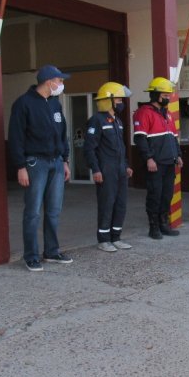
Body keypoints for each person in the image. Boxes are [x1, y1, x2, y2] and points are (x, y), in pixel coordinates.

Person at [8, 64, 73, 272]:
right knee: (33, 212)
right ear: (49, 82)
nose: (61, 84)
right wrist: (20, 166)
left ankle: (52, 251)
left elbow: (63, 133)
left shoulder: (55, 104)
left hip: (55, 161)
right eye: (60, 81)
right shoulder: (24, 104)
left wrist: (65, 160)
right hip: (35, 163)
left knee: (54, 210)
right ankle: (31, 255)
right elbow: (16, 137)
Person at [84, 82, 134, 252]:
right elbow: (90, 148)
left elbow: (121, 147)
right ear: (109, 100)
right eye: (119, 99)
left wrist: (126, 165)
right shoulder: (96, 120)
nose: (121, 102)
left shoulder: (117, 121)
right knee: (107, 204)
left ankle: (116, 237)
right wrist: (95, 169)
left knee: (121, 204)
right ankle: (103, 240)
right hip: (106, 170)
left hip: (120, 169)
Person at [132, 77, 182, 240]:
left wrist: (178, 155)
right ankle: (154, 227)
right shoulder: (144, 113)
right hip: (155, 163)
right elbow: (140, 139)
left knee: (167, 195)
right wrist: (149, 158)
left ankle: (164, 224)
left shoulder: (167, 114)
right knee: (155, 194)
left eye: (169, 94)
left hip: (169, 162)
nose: (168, 97)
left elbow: (174, 137)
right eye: (165, 95)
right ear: (155, 95)